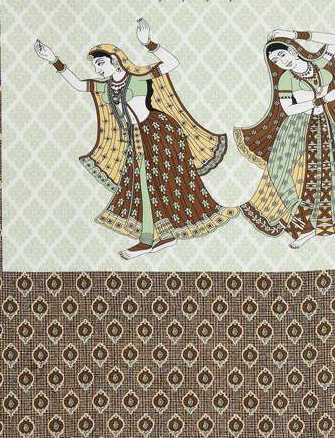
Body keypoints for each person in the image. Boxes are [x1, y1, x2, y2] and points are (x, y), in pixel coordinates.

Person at [34, 18, 238, 259]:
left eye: (100, 63)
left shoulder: (140, 77)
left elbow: (172, 63)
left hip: (161, 133)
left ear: (115, 60)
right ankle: (156, 237)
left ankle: (155, 238)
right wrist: (54, 61)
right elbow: (79, 85)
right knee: (140, 184)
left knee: (164, 183)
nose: (98, 70)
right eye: (95, 66)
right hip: (137, 138)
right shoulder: (105, 87)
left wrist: (149, 43)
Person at [235, 28, 335, 248]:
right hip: (296, 128)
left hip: (323, 125)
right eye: (275, 61)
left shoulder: (317, 66)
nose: (281, 62)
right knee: (286, 173)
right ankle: (303, 226)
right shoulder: (287, 79)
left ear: (292, 50)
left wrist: (294, 34)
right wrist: (325, 99)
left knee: (333, 173)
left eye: (282, 55)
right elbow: (289, 109)